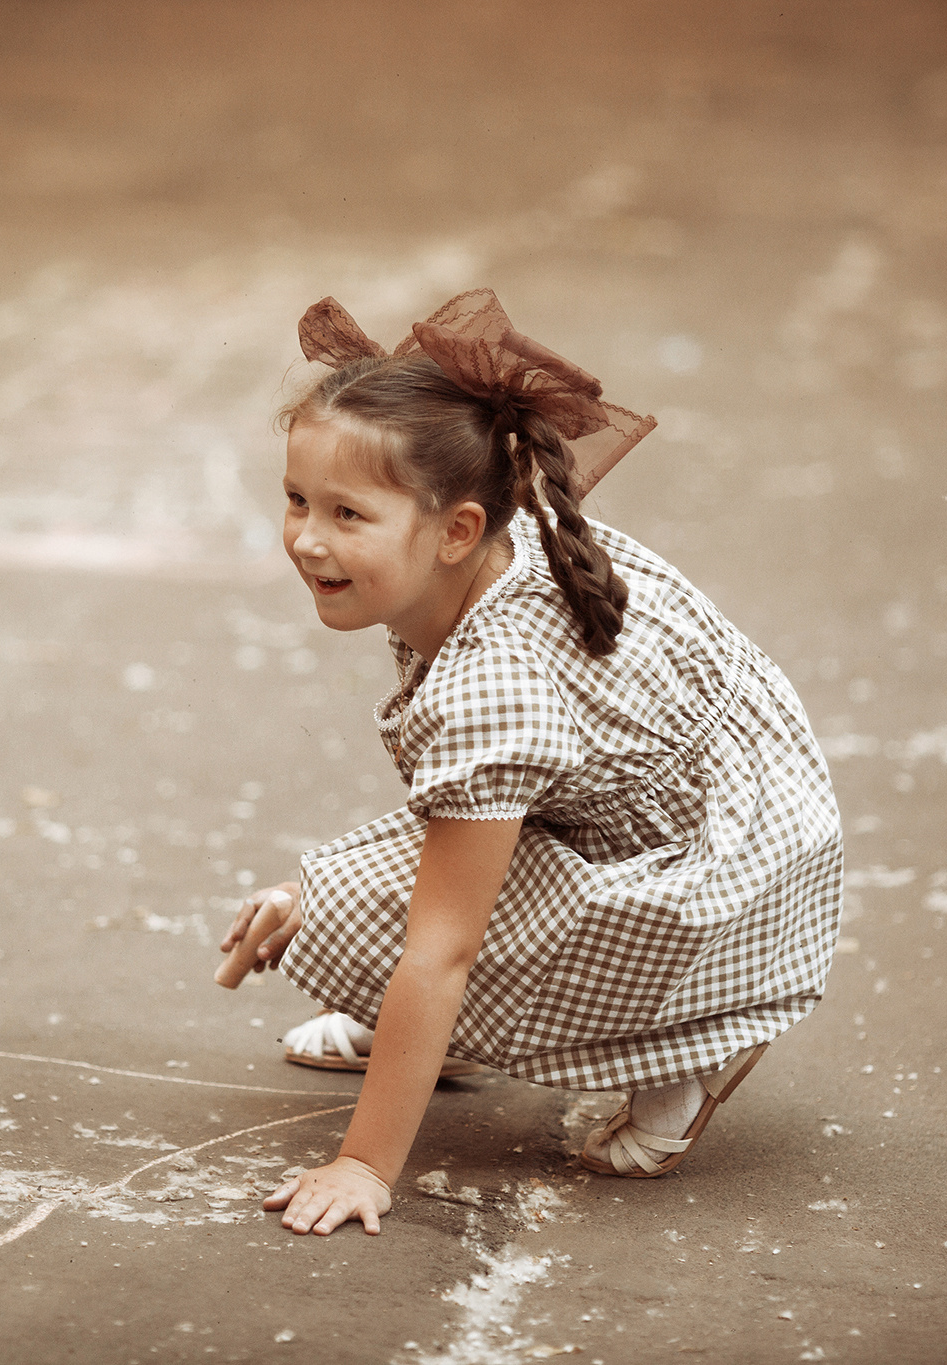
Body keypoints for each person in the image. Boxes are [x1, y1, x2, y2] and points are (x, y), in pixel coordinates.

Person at [217, 290, 842, 1237]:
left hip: (716, 884)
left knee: (355, 922)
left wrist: (365, 1163)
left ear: (457, 529)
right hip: (719, 805)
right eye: (298, 500)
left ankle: (681, 1052)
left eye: (349, 512)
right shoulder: (517, 547)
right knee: (341, 901)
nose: (308, 538)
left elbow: (442, 949)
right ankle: (451, 1041)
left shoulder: (489, 686)